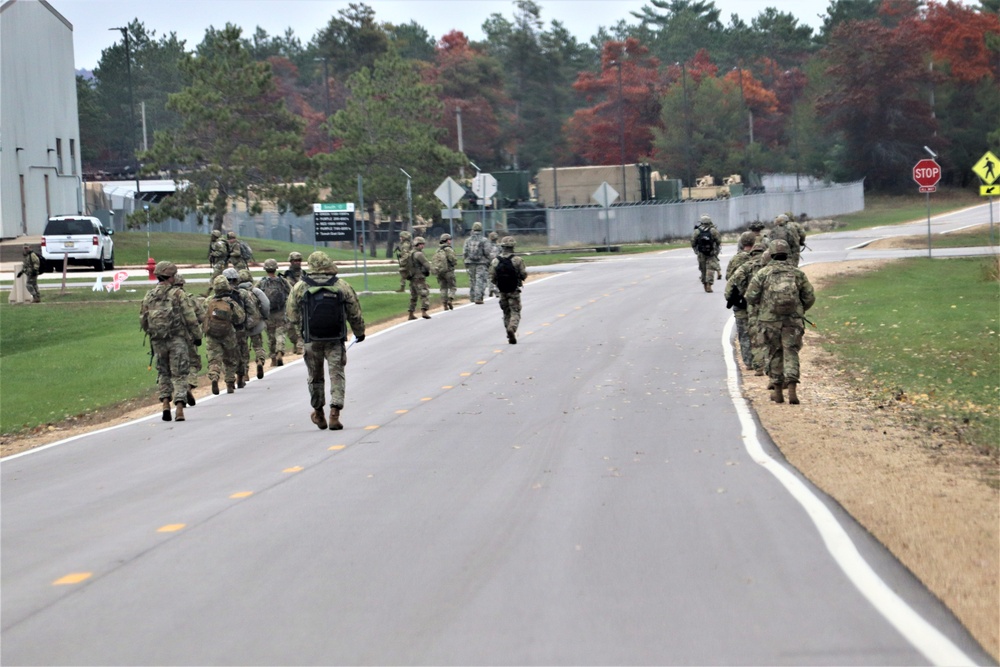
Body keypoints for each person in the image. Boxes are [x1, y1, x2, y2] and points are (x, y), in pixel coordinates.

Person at [285, 251, 366, 431]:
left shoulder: (300, 287)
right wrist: (359, 332)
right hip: (335, 338)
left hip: (311, 339)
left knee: (315, 376)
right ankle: (335, 413)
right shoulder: (341, 285)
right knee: (336, 374)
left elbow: (290, 315)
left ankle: (318, 412)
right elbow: (355, 313)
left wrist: (301, 332)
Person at [744, 239, 816, 405]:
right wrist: (800, 309)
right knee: (791, 351)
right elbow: (809, 296)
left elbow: (750, 296)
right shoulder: (796, 273)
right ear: (787, 253)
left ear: (771, 253)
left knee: (774, 351)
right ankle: (791, 388)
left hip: (769, 321)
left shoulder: (763, 273)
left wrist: (763, 305)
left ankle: (777, 391)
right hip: (792, 320)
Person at [139, 261, 202, 422]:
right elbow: (190, 318)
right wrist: (197, 336)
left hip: (158, 341)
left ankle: (165, 404)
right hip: (177, 339)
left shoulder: (149, 295)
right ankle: (179, 407)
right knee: (180, 374)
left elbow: (143, 320)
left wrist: (153, 334)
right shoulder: (178, 294)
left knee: (163, 373)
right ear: (171, 276)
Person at [203, 274, 246, 395]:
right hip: (228, 334)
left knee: (214, 359)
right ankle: (229, 383)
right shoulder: (231, 302)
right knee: (230, 359)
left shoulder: (208, 301)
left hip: (211, 335)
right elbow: (240, 318)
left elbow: (202, 316)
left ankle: (215, 377)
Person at [724, 234, 761, 370]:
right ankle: (760, 360)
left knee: (744, 332)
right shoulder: (761, 259)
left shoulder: (737, 259)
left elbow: (729, 277)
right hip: (757, 301)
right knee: (758, 330)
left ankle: (749, 361)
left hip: (740, 300)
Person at [223, 268, 260, 388]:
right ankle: (241, 376)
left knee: (227, 355)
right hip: (240, 329)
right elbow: (252, 311)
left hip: (225, 330)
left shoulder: (217, 296)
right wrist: (246, 325)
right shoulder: (242, 293)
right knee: (242, 353)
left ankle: (229, 380)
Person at [488, 236, 528, 344]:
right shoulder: (518, 260)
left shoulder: (495, 261)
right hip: (514, 290)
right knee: (515, 311)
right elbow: (523, 274)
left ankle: (508, 332)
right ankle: (512, 328)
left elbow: (492, 277)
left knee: (506, 312)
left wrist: (498, 284)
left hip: (502, 291)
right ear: (513, 246)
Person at [173, 274, 205, 405]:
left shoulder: (164, 299)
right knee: (193, 363)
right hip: (189, 337)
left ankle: (178, 391)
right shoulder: (190, 298)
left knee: (175, 367)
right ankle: (189, 385)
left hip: (170, 339)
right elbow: (202, 317)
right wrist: (198, 335)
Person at [256, 259, 293, 367]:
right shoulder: (282, 281)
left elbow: (254, 294)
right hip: (280, 311)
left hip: (267, 313)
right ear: (276, 268)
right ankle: (280, 351)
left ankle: (273, 358)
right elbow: (291, 292)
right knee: (280, 333)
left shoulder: (261, 282)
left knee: (271, 336)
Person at [239, 268, 270, 380]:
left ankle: (245, 373)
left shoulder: (236, 292)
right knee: (258, 345)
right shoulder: (256, 291)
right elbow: (266, 304)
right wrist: (264, 316)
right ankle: (260, 361)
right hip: (255, 323)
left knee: (243, 349)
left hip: (241, 325)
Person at [691, 214, 722, 292]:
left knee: (703, 269)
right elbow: (719, 240)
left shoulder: (697, 231)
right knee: (710, 269)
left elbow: (693, 242)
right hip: (711, 252)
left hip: (701, 253)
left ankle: (705, 284)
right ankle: (709, 285)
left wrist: (696, 249)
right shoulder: (713, 230)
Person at [462, 221, 490, 304]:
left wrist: (466, 261)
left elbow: (465, 252)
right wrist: (488, 261)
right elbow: (487, 252)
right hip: (481, 263)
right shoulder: (484, 240)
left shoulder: (468, 240)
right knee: (480, 280)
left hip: (470, 263)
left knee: (472, 280)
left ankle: (472, 297)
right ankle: (478, 297)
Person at [284, 251, 305, 354]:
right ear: (291, 261)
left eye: (299, 260)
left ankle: (300, 344)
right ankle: (296, 343)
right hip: (290, 304)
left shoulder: (305, 275)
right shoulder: (286, 276)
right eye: (295, 261)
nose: (297, 262)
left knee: (303, 325)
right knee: (290, 328)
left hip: (303, 304)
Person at [407, 236, 432, 319]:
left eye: (423, 244)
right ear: (417, 244)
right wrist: (434, 270)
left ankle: (411, 313)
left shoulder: (410, 253)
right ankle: (424, 311)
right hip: (419, 278)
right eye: (420, 244)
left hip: (412, 278)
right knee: (424, 294)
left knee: (413, 296)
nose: (422, 246)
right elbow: (426, 264)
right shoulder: (419, 254)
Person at [432, 233, 458, 310]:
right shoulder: (448, 249)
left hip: (440, 272)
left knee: (443, 288)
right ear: (447, 240)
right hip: (449, 271)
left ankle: (444, 305)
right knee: (453, 287)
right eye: (449, 239)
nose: (450, 241)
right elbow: (452, 260)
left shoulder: (437, 250)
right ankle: (450, 299)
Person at [485, 231, 500, 297]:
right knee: (497, 276)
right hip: (497, 262)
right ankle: (497, 290)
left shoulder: (487, 245)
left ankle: (490, 288)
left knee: (489, 276)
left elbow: (485, 253)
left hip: (489, 262)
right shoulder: (499, 246)